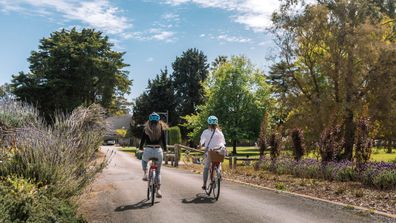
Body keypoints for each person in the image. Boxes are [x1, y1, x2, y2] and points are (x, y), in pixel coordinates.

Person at [139, 112, 167, 198]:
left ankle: (145, 173)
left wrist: (141, 148)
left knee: (144, 160)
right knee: (158, 172)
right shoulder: (161, 128)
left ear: (149, 120)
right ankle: (158, 190)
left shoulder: (146, 129)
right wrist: (165, 149)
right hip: (158, 151)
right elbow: (163, 141)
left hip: (148, 150)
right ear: (159, 121)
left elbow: (142, 140)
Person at [198, 115, 226, 190]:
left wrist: (200, 146)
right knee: (219, 163)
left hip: (210, 152)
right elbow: (223, 142)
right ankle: (219, 173)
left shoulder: (205, 132)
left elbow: (201, 142)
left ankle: (204, 184)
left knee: (206, 167)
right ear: (217, 123)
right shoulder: (220, 133)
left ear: (208, 123)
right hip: (219, 151)